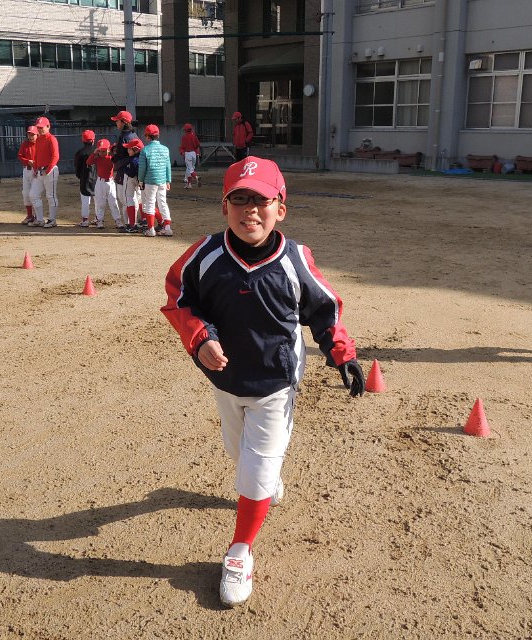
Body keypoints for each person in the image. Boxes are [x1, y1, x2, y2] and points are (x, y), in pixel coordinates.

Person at [161, 156, 365, 607]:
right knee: (239, 454)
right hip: (225, 379)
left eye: (262, 200)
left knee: (256, 467)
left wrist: (342, 353)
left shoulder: (295, 259)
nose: (250, 210)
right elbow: (179, 297)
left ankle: (240, 551)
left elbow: (324, 308)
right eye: (239, 199)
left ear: (281, 209)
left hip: (276, 382)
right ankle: (265, 479)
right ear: (224, 206)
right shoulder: (205, 254)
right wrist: (199, 338)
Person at [137, 124, 173, 237]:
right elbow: (168, 166)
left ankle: (151, 229)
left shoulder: (145, 150)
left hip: (149, 181)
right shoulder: (165, 149)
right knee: (163, 203)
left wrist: (140, 180)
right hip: (162, 180)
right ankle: (167, 228)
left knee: (150, 203)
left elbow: (142, 168)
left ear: (147, 136)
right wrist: (168, 180)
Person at [29, 116, 60, 228]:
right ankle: (40, 219)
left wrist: (48, 170)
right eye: (38, 127)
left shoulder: (52, 139)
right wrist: (35, 168)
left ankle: (52, 220)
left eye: (42, 127)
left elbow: (55, 156)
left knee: (50, 195)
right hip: (40, 171)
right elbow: (36, 155)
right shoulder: (39, 139)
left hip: (50, 170)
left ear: (48, 126)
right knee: (33, 195)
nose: (40, 129)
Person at [110, 110, 140, 227]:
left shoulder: (125, 136)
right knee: (133, 198)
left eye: (118, 121)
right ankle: (134, 222)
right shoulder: (133, 134)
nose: (116, 122)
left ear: (123, 122)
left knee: (126, 199)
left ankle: (131, 224)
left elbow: (122, 156)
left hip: (126, 170)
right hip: (133, 170)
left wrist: (114, 156)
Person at [85, 139, 122, 229]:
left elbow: (118, 157)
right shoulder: (97, 158)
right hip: (100, 182)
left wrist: (114, 149)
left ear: (108, 149)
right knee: (100, 203)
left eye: (104, 151)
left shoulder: (111, 157)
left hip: (110, 182)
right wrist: (94, 153)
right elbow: (88, 162)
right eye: (100, 151)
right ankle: (100, 220)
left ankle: (118, 220)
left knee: (113, 202)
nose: (101, 153)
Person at [74, 129, 97, 228]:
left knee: (85, 200)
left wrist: (79, 176)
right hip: (97, 179)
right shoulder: (98, 151)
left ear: (82, 140)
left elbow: (77, 167)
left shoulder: (80, 153)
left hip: (84, 178)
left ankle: (85, 220)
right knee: (98, 200)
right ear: (93, 140)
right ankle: (98, 218)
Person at [120, 138, 143, 233]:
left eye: (129, 149)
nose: (127, 150)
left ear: (136, 149)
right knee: (145, 202)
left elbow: (131, 173)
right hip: (141, 182)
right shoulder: (143, 158)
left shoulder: (133, 160)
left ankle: (132, 225)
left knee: (129, 199)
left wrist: (124, 168)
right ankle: (159, 221)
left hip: (132, 179)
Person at [18, 125, 38, 225]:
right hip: (26, 170)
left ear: (37, 134)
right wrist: (27, 161)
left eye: (32, 134)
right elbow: (20, 156)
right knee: (25, 193)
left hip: (36, 170)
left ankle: (38, 216)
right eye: (29, 134)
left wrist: (36, 165)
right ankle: (30, 215)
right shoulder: (25, 144)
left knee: (34, 194)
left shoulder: (40, 144)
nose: (30, 136)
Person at [179, 123, 201, 188]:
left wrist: (182, 152)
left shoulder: (184, 137)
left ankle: (196, 177)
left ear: (185, 130)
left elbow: (182, 146)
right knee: (190, 168)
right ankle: (189, 184)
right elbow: (198, 144)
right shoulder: (194, 136)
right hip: (194, 153)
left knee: (190, 169)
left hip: (188, 154)